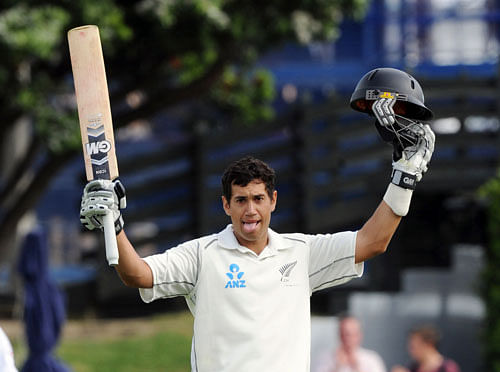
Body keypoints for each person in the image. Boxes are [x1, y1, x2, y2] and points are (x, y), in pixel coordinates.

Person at [79, 67, 436, 372]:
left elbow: (374, 241)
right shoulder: (202, 255)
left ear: (273, 201)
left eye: (258, 199)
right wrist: (115, 225)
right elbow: (137, 274)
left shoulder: (301, 253)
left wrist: (404, 177)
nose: (250, 210)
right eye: (241, 200)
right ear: (226, 206)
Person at [315, 315, 386, 372]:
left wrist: (356, 366)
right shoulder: (326, 358)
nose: (348, 339)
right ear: (339, 334)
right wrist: (337, 366)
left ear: (360, 335)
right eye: (345, 333)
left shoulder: (372, 359)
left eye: (353, 334)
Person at [391, 325, 460, 372]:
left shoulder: (447, 367)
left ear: (429, 344)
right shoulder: (413, 367)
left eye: (414, 346)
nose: (410, 350)